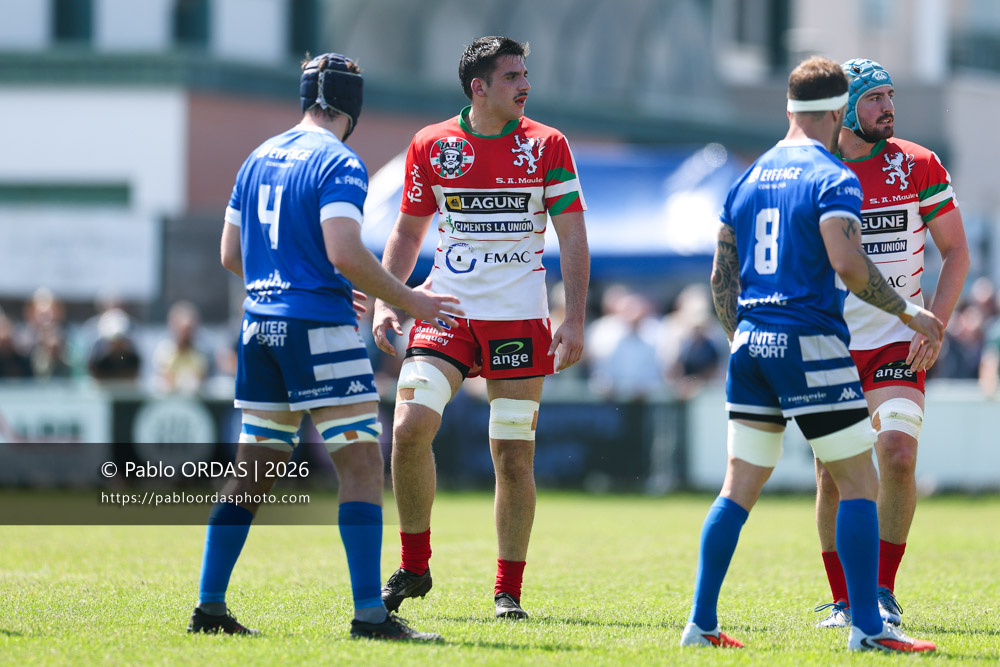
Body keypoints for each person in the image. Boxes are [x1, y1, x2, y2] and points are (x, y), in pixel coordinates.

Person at [188, 52, 462, 642]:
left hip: (259, 327)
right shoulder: (339, 161)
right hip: (317, 327)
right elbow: (343, 249)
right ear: (353, 107)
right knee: (361, 462)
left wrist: (304, 281)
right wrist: (409, 300)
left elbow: (231, 256)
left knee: (252, 472)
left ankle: (209, 606)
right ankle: (370, 615)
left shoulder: (258, 155)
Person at [679, 56, 941, 653]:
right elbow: (848, 266)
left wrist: (743, 339)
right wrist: (910, 312)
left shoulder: (748, 176)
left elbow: (723, 275)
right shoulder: (833, 176)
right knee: (857, 481)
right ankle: (869, 627)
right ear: (835, 111)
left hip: (750, 344)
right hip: (811, 341)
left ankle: (701, 622)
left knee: (737, 486)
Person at [372, 36, 590, 620]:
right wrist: (389, 299)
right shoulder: (432, 144)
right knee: (410, 424)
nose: (525, 84)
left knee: (512, 455)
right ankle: (415, 566)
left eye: (525, 74)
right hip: (446, 313)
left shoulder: (548, 145)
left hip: (520, 321)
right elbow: (408, 232)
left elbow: (571, 234)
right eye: (513, 75)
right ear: (479, 87)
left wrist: (574, 317)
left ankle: (507, 591)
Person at [812, 59, 970, 629]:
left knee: (898, 456)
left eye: (890, 96)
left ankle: (879, 589)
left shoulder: (918, 164)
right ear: (846, 107)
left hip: (897, 345)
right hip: (830, 344)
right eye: (874, 98)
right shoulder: (815, 168)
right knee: (833, 473)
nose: (887, 107)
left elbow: (956, 252)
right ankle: (840, 598)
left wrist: (937, 322)